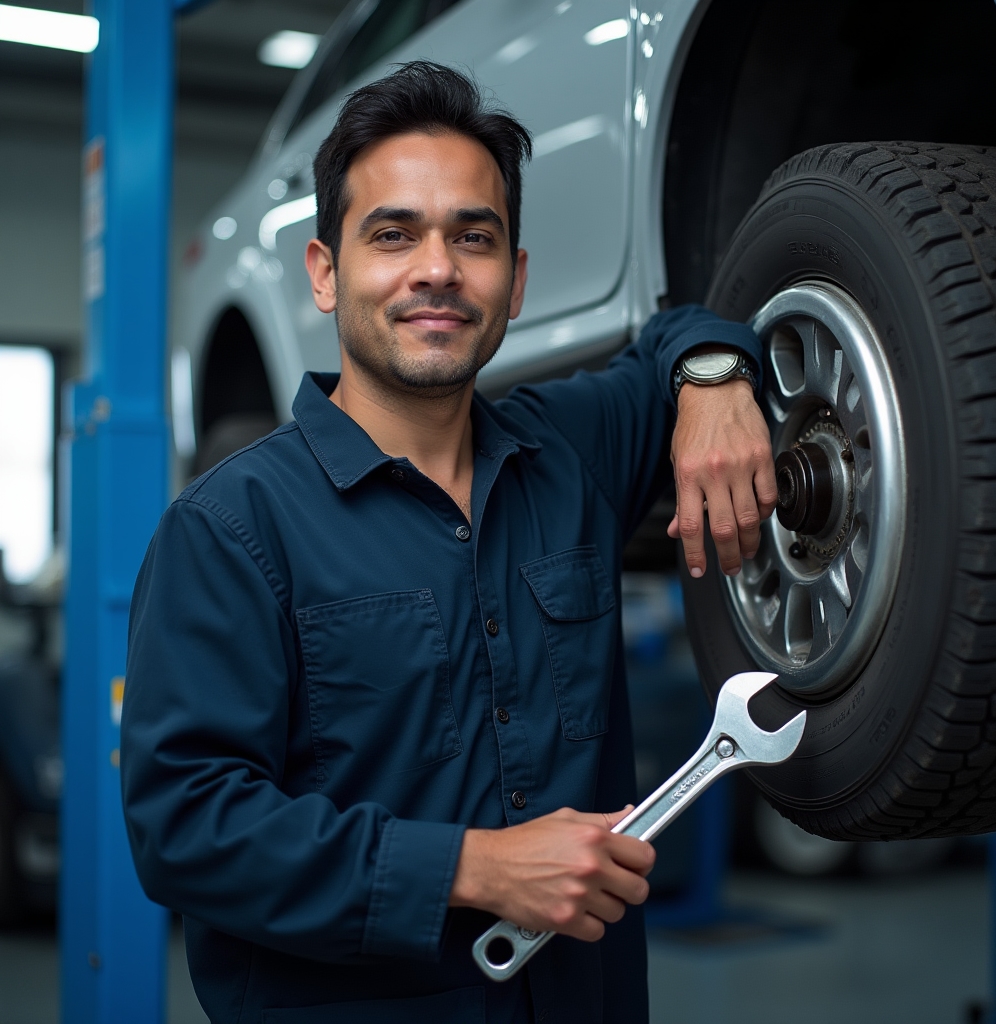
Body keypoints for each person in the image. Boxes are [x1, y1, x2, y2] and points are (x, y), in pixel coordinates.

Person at [121, 62, 775, 1024]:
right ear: (325, 272)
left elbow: (683, 329)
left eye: (474, 236)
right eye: (393, 235)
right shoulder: (230, 528)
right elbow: (186, 826)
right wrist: (474, 867)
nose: (438, 268)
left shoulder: (572, 453)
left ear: (514, 282)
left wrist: (714, 379)